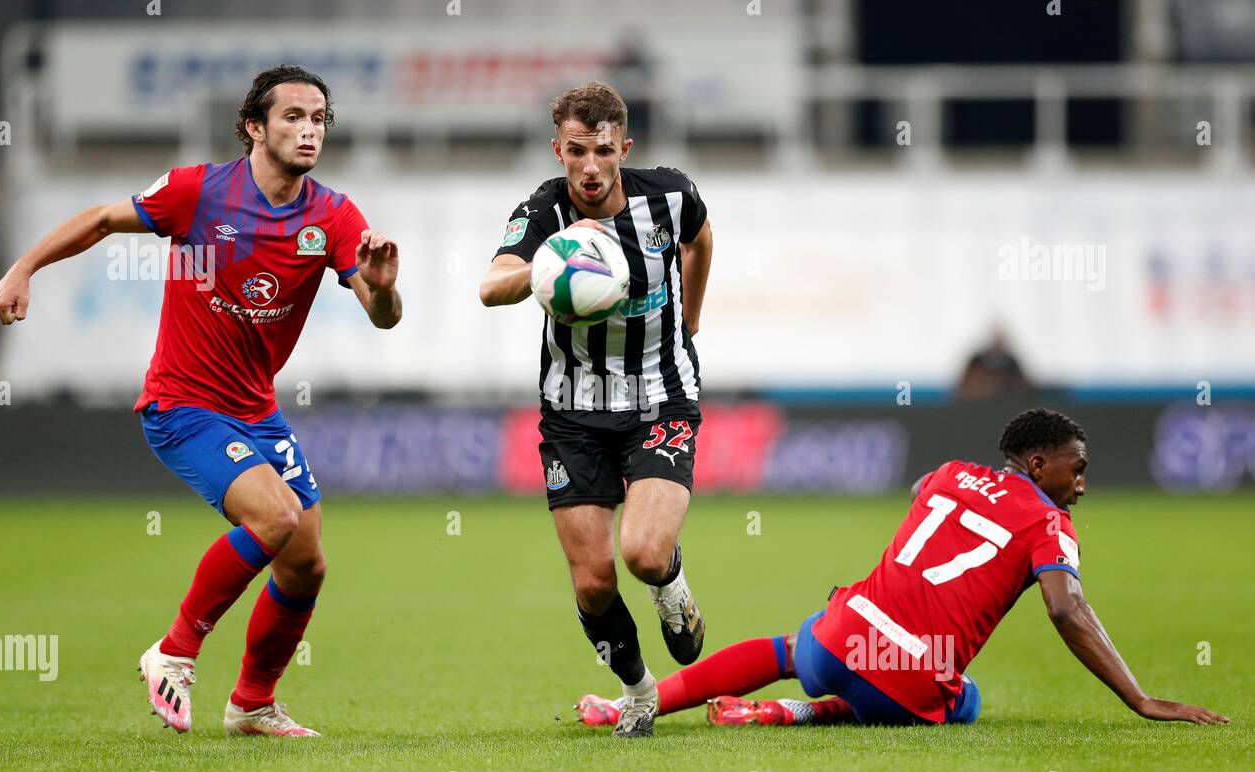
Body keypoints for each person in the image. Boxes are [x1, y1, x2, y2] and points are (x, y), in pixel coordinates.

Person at [0, 65, 404, 737]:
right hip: (182, 406)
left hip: (257, 410)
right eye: (293, 116)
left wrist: (383, 286)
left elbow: (382, 316)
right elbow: (100, 220)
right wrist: (22, 267)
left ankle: (251, 704)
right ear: (254, 127)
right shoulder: (197, 191)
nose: (309, 130)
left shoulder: (332, 215)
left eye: (319, 118)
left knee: (305, 561)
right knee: (275, 518)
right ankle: (174, 651)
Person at [576, 408, 1229, 729]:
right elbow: (1065, 606)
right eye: (1075, 467)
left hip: (841, 634)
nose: (1082, 481)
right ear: (1036, 465)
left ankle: (638, 703)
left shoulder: (950, 472)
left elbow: (922, 489)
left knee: (788, 645)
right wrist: (1139, 698)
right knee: (968, 700)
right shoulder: (1050, 521)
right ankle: (788, 714)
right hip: (909, 675)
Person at [479, 81, 714, 737]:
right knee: (592, 583)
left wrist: (689, 320)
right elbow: (491, 284)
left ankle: (671, 587)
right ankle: (639, 691)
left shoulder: (669, 195)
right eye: (575, 151)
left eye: (602, 151)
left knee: (642, 552)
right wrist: (546, 266)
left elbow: (701, 239)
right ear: (558, 149)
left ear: (623, 149)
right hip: (573, 413)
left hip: (659, 396)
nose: (588, 166)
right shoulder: (543, 211)